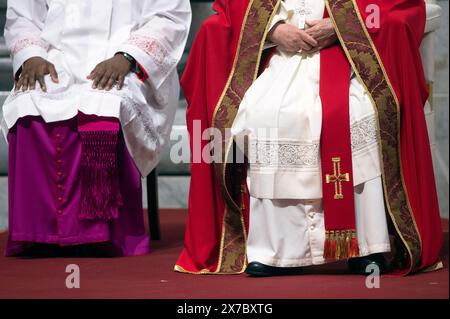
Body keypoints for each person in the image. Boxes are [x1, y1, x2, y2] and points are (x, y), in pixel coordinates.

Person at [176, 0, 443, 276]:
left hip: (349, 54)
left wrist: (342, 25)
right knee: (267, 113)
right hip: (279, 55)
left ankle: (365, 246)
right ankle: (277, 251)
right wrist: (273, 28)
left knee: (353, 112)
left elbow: (397, 7)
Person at [1, 0, 191, 257]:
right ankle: (38, 234)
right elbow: (23, 16)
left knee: (108, 103)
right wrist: (31, 54)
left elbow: (169, 16)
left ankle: (102, 235)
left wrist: (127, 57)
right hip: (55, 59)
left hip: (126, 61)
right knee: (26, 104)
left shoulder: (127, 58)